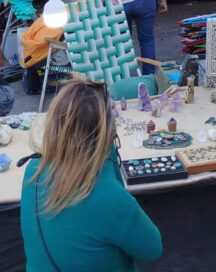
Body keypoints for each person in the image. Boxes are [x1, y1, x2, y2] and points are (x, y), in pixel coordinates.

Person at [21, 78, 162, 271]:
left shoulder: (33, 171)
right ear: (107, 133)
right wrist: (110, 148)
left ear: (54, 126)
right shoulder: (110, 197)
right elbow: (153, 249)